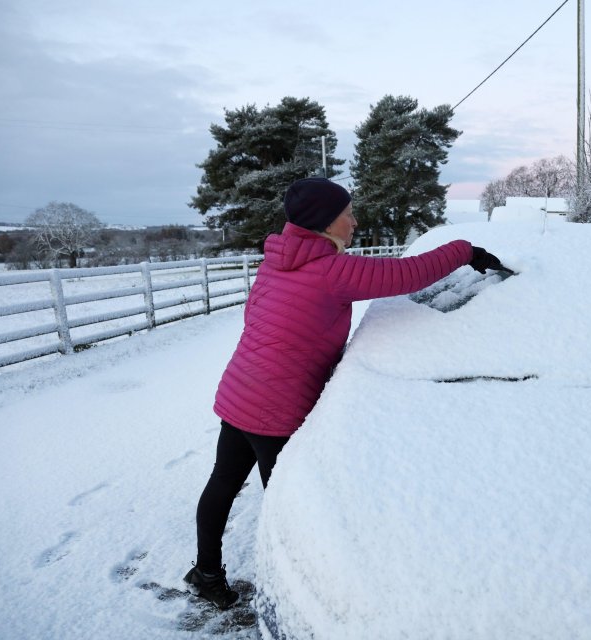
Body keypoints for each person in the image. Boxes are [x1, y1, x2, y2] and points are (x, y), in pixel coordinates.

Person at [184, 177, 507, 609]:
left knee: (222, 484)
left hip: (240, 393)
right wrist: (465, 251)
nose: (354, 221)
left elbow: (257, 318)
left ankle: (205, 573)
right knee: (287, 504)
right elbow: (407, 274)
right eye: (347, 214)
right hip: (276, 410)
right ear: (323, 222)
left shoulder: (277, 260)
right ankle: (294, 596)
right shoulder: (332, 272)